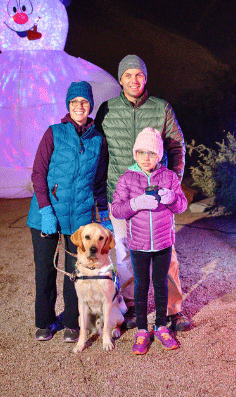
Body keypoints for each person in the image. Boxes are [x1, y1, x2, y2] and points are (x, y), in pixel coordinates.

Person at [95, 55, 191, 331]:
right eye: (128, 75)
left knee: (167, 252)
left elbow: (176, 147)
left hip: (157, 197)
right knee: (125, 254)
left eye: (138, 74)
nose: (134, 80)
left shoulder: (161, 108)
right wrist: (101, 192)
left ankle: (173, 309)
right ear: (120, 79)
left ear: (145, 78)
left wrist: (171, 185)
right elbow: (100, 151)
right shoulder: (107, 110)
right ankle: (133, 307)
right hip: (122, 195)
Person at [26, 81, 112, 342]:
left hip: (80, 218)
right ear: (68, 105)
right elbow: (38, 174)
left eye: (84, 102)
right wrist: (45, 210)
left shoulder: (98, 139)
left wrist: (104, 213)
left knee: (77, 272)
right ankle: (45, 322)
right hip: (47, 214)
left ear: (90, 106)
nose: (79, 106)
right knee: (46, 270)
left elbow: (99, 181)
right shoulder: (54, 133)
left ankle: (73, 323)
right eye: (74, 102)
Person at [110, 128, 188, 354]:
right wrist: (136, 204)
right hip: (139, 244)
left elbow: (182, 206)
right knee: (142, 286)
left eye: (152, 153)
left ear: (160, 155)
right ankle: (143, 330)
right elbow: (116, 209)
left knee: (161, 284)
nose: (146, 158)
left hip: (163, 243)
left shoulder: (169, 177)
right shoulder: (127, 178)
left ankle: (161, 325)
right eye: (141, 152)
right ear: (134, 154)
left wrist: (172, 198)